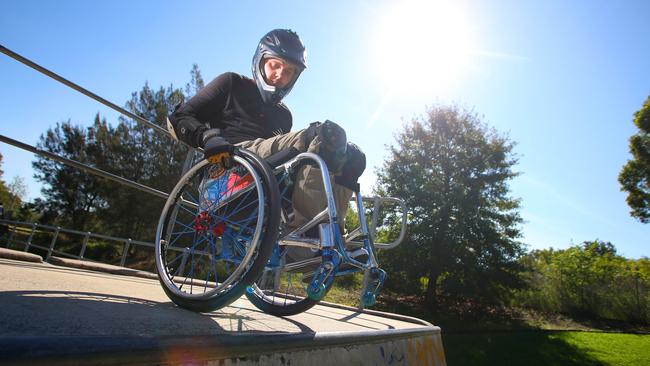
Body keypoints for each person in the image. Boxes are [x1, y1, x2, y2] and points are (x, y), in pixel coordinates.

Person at [167, 29, 366, 239]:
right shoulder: (232, 83)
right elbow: (178, 118)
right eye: (275, 65)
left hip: (270, 177)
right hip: (231, 164)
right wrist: (207, 137)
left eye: (289, 71)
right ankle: (310, 237)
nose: (280, 75)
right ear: (260, 61)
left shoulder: (284, 115)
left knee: (352, 156)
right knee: (320, 134)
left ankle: (334, 239)